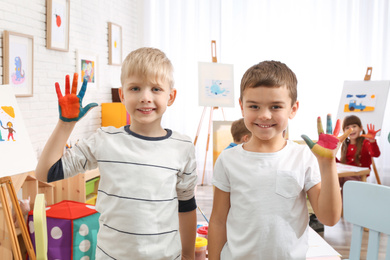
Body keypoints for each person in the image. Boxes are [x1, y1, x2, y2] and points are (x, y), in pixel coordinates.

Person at [36, 47, 198, 260]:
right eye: (135, 88)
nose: (145, 97)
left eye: (156, 89)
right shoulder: (104, 140)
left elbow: (186, 206)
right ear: (122, 94)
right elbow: (46, 173)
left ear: (171, 96)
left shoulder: (183, 147)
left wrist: (188, 255)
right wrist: (66, 124)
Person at [208, 60, 350, 260]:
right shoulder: (228, 159)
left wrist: (327, 164)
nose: (264, 115)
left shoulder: (303, 157)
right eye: (254, 106)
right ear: (241, 106)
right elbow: (218, 221)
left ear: (293, 109)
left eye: (275, 106)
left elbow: (329, 218)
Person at [338, 115, 381, 191]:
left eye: (354, 126)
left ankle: (342, 202)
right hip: (346, 176)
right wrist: (330, 156)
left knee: (347, 185)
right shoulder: (345, 145)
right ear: (344, 131)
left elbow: (375, 154)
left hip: (359, 176)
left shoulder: (365, 143)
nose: (351, 129)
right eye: (347, 127)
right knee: (330, 179)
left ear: (361, 128)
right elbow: (342, 164)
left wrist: (372, 141)